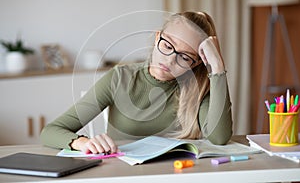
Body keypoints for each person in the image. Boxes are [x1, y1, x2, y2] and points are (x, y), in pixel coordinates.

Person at [40, 11, 232, 154]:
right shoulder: (119, 78)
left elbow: (219, 138)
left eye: (184, 57)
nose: (170, 60)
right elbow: (51, 131)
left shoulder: (200, 87)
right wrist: (82, 142)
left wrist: (217, 67)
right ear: (158, 37)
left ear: (198, 61)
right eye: (167, 45)